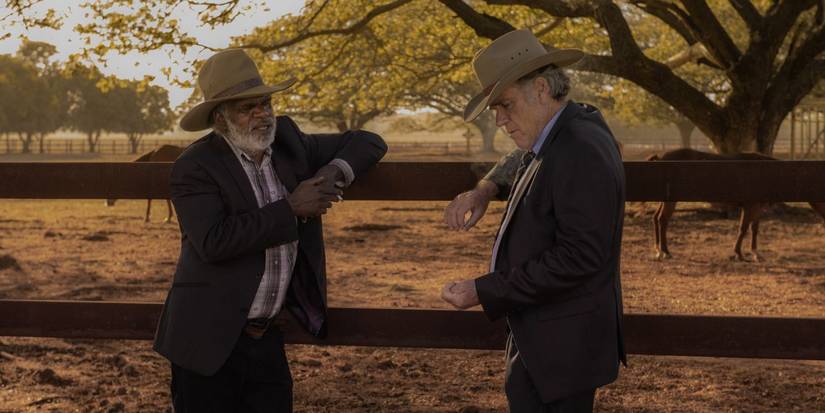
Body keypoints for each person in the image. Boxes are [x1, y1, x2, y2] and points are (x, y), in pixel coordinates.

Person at [153, 49, 387, 412]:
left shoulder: (288, 142)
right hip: (206, 341)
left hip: (266, 338)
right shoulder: (196, 166)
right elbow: (214, 242)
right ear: (220, 117)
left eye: (266, 103)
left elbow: (369, 141)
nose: (262, 114)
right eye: (248, 108)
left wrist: (331, 173)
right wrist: (291, 208)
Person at [441, 29, 626, 412]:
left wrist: (486, 290)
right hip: (547, 333)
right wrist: (485, 189)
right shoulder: (567, 130)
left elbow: (579, 257)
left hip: (563, 345)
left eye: (505, 105)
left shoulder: (578, 150)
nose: (501, 121)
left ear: (540, 88)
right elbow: (524, 161)